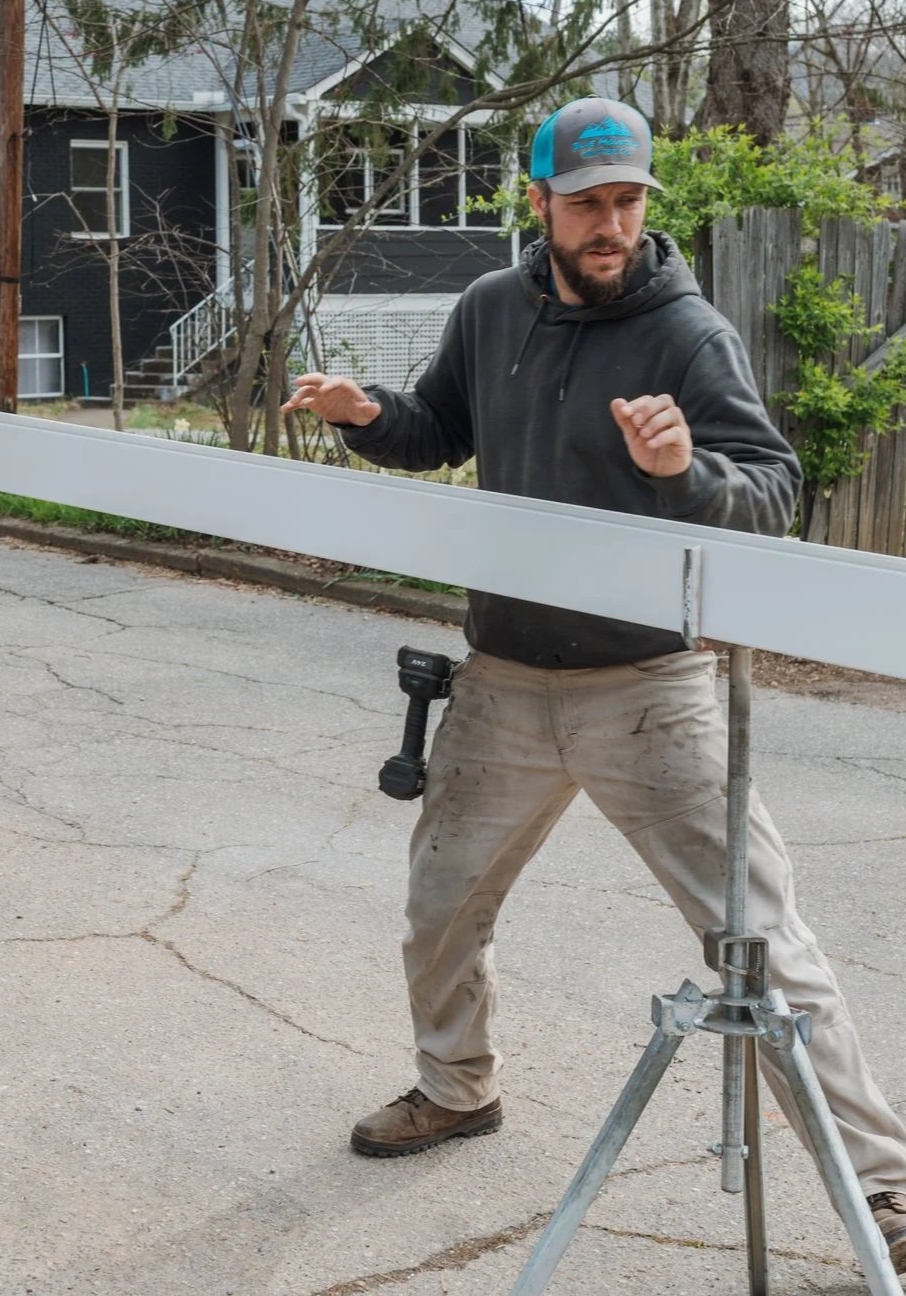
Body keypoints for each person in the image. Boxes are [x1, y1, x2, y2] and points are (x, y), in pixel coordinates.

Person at [281, 96, 906, 1272]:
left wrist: (682, 468)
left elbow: (770, 491)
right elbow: (436, 430)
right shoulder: (487, 310)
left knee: (757, 941)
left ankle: (882, 1188)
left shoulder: (685, 334)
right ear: (540, 205)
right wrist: (366, 414)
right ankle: (456, 1088)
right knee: (440, 904)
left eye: (627, 201)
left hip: (650, 687)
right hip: (507, 680)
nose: (611, 223)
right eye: (588, 203)